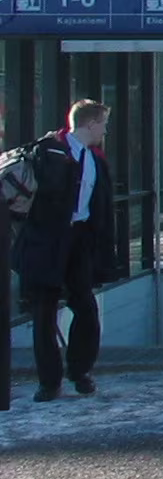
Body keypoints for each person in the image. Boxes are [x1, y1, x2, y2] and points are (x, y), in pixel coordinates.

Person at [14, 100, 118, 401]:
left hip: (78, 239)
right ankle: (49, 382)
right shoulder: (48, 153)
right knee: (44, 312)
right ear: (90, 124)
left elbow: (101, 208)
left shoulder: (95, 160)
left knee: (85, 307)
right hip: (46, 241)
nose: (105, 130)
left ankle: (79, 370)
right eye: (103, 124)